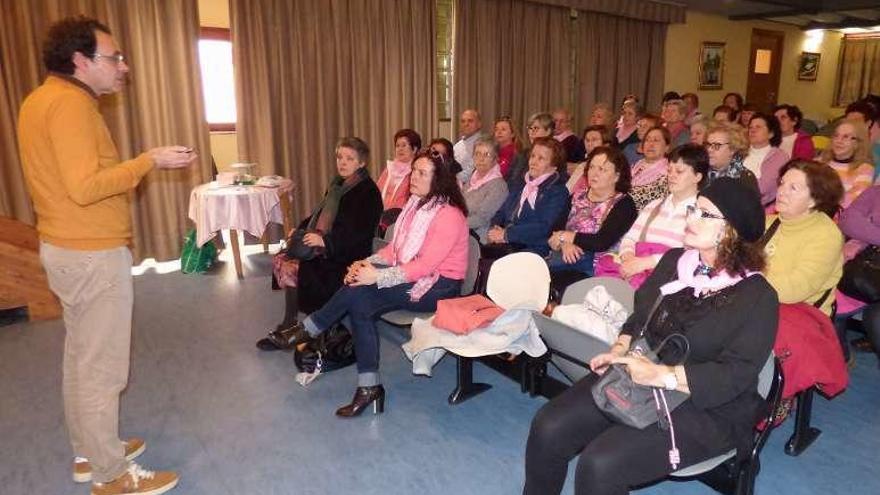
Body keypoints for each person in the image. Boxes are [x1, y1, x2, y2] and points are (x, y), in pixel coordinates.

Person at [17, 16, 196, 495]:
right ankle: (111, 475)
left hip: (64, 247)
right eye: (113, 57)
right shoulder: (71, 108)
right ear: (80, 61)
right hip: (91, 253)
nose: (123, 66)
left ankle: (90, 452)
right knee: (102, 370)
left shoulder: (40, 101)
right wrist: (148, 161)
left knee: (81, 359)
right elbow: (85, 187)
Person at [524, 178, 777, 495]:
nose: (690, 218)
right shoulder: (675, 262)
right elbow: (640, 316)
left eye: (705, 214)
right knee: (549, 427)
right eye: (693, 209)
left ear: (732, 231)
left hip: (707, 406)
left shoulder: (757, 296)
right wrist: (621, 347)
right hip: (643, 374)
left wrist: (662, 375)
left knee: (601, 464)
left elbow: (735, 375)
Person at [299, 151, 469, 416]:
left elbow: (424, 266)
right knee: (359, 300)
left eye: (422, 173)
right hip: (416, 276)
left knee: (359, 295)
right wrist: (366, 263)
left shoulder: (449, 215)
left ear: (440, 180)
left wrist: (376, 276)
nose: (414, 177)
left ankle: (311, 328)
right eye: (414, 171)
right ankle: (369, 387)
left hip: (440, 286)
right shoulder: (416, 205)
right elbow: (394, 250)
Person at [256, 137, 383, 351]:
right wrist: (300, 228)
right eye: (339, 157)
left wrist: (325, 241)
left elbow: (358, 234)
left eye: (349, 158)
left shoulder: (368, 193)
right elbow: (319, 214)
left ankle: (308, 329)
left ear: (361, 163)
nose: (342, 162)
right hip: (328, 245)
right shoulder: (337, 185)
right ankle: (291, 323)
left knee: (304, 266)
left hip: (347, 254)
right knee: (286, 259)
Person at [610, 144, 708, 287]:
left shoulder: (703, 213)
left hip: (672, 280)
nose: (671, 176)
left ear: (697, 177)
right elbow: (630, 238)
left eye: (679, 171)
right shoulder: (653, 206)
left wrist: (647, 262)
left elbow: (695, 255)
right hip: (636, 270)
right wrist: (629, 258)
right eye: (669, 170)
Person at [547, 147, 637, 292]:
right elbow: (554, 229)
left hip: (596, 270)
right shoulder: (577, 196)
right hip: (563, 258)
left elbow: (601, 241)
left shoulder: (624, 204)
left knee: (549, 285)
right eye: (592, 167)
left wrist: (566, 236)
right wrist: (565, 244)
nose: (594, 173)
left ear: (616, 176)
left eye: (602, 169)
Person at [765, 160, 844, 316]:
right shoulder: (769, 222)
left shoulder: (827, 235)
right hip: (762, 302)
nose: (781, 191)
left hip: (801, 314)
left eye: (793, 188)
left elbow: (794, 289)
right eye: (782, 183)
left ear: (814, 200)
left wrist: (746, 277)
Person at [488, 136, 570, 256]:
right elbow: (501, 212)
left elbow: (544, 228)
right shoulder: (521, 183)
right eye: (533, 156)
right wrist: (494, 229)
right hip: (509, 244)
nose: (533, 162)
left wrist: (507, 234)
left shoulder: (557, 191)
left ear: (554, 166)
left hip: (535, 248)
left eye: (541, 158)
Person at [836, 185, 880, 364]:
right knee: (830, 303)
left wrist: (865, 232)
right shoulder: (875, 192)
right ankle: (839, 359)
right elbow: (848, 221)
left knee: (876, 319)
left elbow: (858, 226)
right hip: (866, 270)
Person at [819, 119, 875, 208]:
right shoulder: (818, 162)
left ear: (858, 143)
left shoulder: (865, 169)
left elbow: (854, 200)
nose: (839, 141)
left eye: (846, 137)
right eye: (836, 136)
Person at [463, 137, 509, 243]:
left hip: (478, 238)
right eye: (477, 154)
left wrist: (454, 223)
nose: (481, 159)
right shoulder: (472, 178)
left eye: (487, 155)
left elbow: (481, 219)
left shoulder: (498, 186)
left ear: (495, 158)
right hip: (462, 230)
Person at [744, 113, 788, 206]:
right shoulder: (740, 151)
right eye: (750, 127)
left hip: (760, 207)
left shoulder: (779, 156)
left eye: (758, 127)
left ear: (771, 134)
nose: (752, 130)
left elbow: (762, 188)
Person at [704, 120, 760, 192]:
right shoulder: (700, 172)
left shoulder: (745, 178)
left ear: (732, 149)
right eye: (708, 145)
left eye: (717, 145)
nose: (709, 150)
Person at [507, 112, 556, 190]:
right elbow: (508, 179)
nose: (531, 132)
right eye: (530, 128)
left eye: (536, 128)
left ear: (548, 131)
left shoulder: (555, 155)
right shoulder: (522, 154)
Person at [377, 128, 420, 211]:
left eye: (404, 145)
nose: (400, 149)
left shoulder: (416, 171)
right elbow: (376, 193)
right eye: (397, 146)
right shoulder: (389, 169)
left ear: (414, 149)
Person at [630, 126, 671, 210]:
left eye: (656, 140)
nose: (650, 144)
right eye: (647, 140)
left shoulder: (667, 172)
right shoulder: (637, 165)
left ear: (667, 147)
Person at [567, 125, 611, 194]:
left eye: (594, 140)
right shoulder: (582, 166)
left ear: (605, 144)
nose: (589, 144)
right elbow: (568, 190)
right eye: (587, 140)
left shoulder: (609, 168)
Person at [454, 108, 483, 183]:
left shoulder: (483, 144)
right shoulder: (457, 145)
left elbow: (469, 174)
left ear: (479, 124)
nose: (466, 124)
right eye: (463, 121)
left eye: (470, 121)